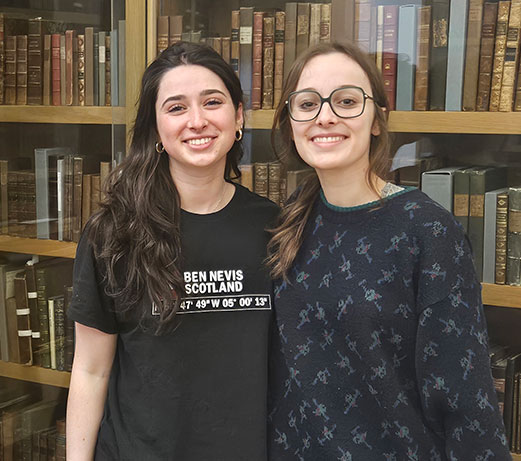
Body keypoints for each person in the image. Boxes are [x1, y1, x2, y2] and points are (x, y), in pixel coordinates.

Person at [266, 42, 511, 460]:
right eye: (307, 103)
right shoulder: (290, 217)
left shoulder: (427, 230)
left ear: (377, 119)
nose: (326, 115)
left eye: (346, 101)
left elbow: (465, 400)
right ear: (290, 123)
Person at [66, 42, 278, 461]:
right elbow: (91, 371)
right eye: (176, 108)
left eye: (212, 102)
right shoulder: (113, 233)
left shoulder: (274, 227)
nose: (197, 121)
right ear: (156, 128)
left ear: (238, 117)